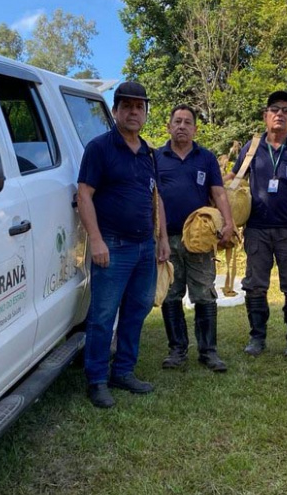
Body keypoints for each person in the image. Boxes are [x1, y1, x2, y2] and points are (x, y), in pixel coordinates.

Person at [77, 81, 171, 409]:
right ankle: (97, 379)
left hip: (145, 247)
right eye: (127, 106)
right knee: (103, 316)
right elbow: (84, 194)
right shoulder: (99, 148)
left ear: (145, 113)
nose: (133, 112)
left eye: (139, 107)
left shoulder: (149, 152)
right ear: (115, 110)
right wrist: (97, 240)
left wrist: (161, 238)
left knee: (137, 310)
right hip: (112, 247)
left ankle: (124, 371)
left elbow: (155, 196)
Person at [223, 91, 287, 358]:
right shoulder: (252, 148)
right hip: (257, 229)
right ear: (265, 115)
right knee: (255, 284)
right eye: (275, 109)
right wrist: (217, 193)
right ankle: (257, 337)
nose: (280, 114)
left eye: (286, 110)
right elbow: (235, 178)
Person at [157, 104, 235, 373]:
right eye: (176, 121)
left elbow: (219, 193)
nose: (181, 126)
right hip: (167, 238)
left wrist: (228, 223)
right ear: (168, 126)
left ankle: (208, 352)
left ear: (195, 128)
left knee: (204, 293)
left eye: (187, 122)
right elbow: (151, 198)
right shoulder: (156, 158)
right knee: (170, 294)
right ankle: (177, 350)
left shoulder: (207, 158)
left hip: (200, 238)